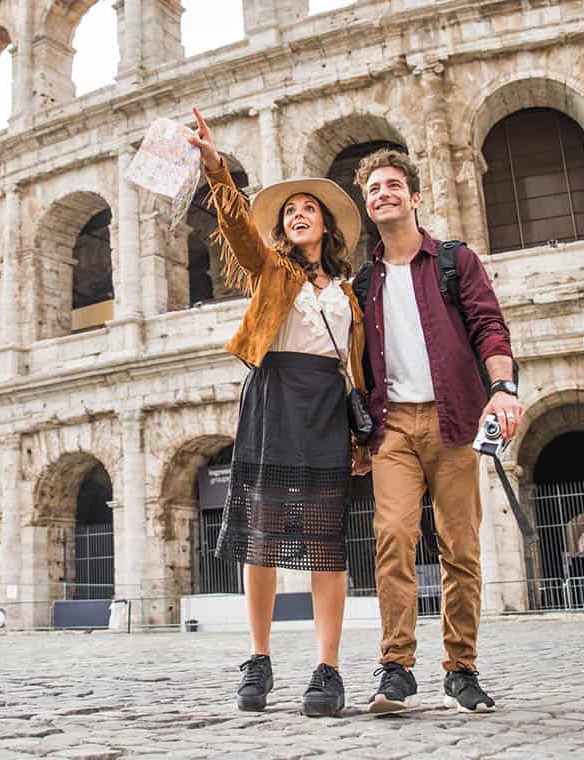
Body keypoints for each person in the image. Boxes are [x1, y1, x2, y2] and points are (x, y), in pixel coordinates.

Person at [188, 107, 370, 717]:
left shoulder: (348, 293)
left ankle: (327, 668)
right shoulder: (272, 271)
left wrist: (361, 435)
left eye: (307, 209)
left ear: (326, 226)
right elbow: (239, 228)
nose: (297, 215)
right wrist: (217, 170)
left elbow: (357, 368)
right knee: (262, 539)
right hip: (272, 394)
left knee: (326, 542)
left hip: (324, 403)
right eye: (289, 211)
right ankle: (259, 658)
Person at [353, 148, 523, 715]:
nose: (384, 194)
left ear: (415, 196)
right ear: (367, 202)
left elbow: (489, 327)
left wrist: (504, 389)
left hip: (454, 420)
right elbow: (353, 366)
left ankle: (461, 667)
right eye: (374, 188)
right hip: (393, 426)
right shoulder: (363, 282)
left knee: (461, 546)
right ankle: (397, 666)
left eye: (393, 185)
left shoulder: (454, 260)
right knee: (394, 538)